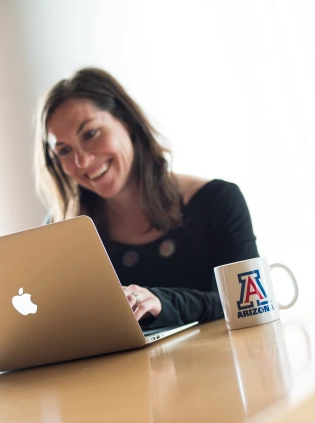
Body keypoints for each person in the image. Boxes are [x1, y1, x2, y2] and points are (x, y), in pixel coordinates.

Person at [34, 67, 259, 329]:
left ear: (127, 122)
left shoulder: (218, 201)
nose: (82, 160)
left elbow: (248, 301)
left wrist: (162, 302)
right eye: (64, 150)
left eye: (91, 134)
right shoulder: (62, 227)